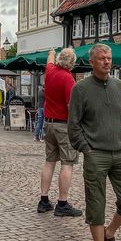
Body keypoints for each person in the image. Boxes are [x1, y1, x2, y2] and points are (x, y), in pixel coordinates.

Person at [68, 43, 121, 241]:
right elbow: (74, 126)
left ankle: (110, 233)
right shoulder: (81, 89)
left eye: (109, 58)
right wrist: (86, 150)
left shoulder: (119, 87)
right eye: (101, 58)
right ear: (92, 62)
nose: (107, 62)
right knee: (96, 206)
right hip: (95, 154)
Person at [38, 48, 82, 217]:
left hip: (48, 123)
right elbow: (71, 106)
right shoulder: (68, 78)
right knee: (67, 163)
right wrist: (76, 125)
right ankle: (62, 203)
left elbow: (49, 59)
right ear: (71, 64)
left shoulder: (50, 71)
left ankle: (44, 200)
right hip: (63, 125)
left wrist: (51, 51)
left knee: (49, 161)